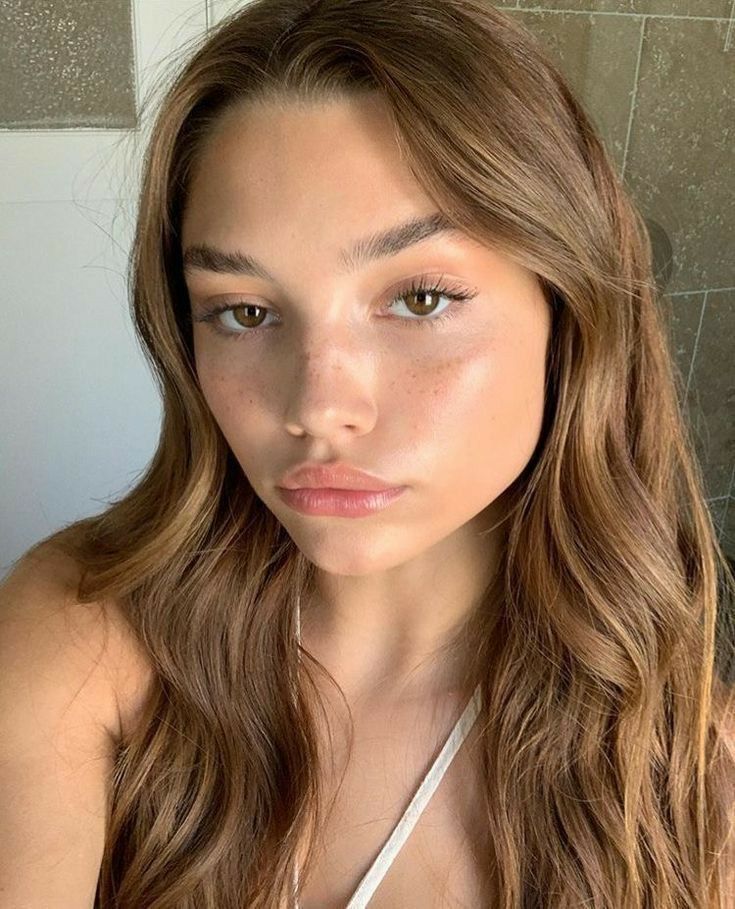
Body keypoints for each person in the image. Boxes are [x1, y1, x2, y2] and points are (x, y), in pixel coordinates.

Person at [1, 1, 733, 906]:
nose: (317, 409)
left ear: (567, 311)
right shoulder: (87, 637)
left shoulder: (685, 775)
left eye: (421, 299)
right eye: (244, 310)